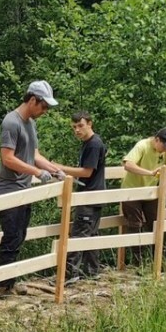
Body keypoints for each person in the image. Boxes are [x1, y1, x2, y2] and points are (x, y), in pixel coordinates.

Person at [0, 80, 64, 297]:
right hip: (10, 191)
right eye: (43, 107)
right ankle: (1, 287)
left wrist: (53, 169)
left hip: (24, 190)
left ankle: (9, 283)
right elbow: (8, 159)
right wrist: (35, 172)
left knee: (20, 236)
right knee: (11, 237)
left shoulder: (30, 124)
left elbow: (34, 155)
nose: (44, 111)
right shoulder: (11, 122)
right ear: (32, 99)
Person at [54, 111, 107, 281]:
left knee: (79, 234)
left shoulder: (94, 144)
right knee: (91, 234)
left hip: (90, 196)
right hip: (93, 194)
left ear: (90, 124)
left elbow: (86, 172)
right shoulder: (88, 143)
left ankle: (68, 274)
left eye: (80, 126)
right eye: (74, 127)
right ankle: (92, 272)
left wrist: (60, 168)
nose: (77, 130)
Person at [120, 127, 166, 260]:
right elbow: (128, 165)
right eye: (165, 146)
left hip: (151, 192)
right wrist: (150, 173)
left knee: (155, 222)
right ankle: (138, 260)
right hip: (132, 191)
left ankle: (156, 258)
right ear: (157, 140)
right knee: (135, 224)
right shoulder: (142, 146)